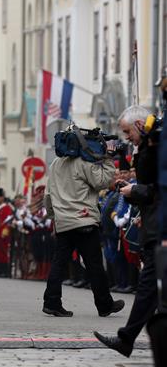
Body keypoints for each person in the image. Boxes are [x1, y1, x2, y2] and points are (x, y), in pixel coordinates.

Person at [94, 105, 161, 357]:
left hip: (160, 229)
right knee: (149, 288)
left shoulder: (156, 147)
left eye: (126, 132)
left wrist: (136, 192)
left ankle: (127, 339)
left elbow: (157, 189)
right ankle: (127, 339)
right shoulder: (149, 146)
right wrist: (135, 194)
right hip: (154, 225)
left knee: (147, 287)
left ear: (139, 125)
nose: (126, 138)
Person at [43, 127, 125, 318]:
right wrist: (107, 158)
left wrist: (53, 216)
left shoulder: (55, 164)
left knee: (59, 263)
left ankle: (51, 302)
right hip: (84, 220)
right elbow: (103, 182)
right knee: (94, 264)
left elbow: (48, 195)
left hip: (64, 221)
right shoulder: (84, 162)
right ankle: (104, 304)